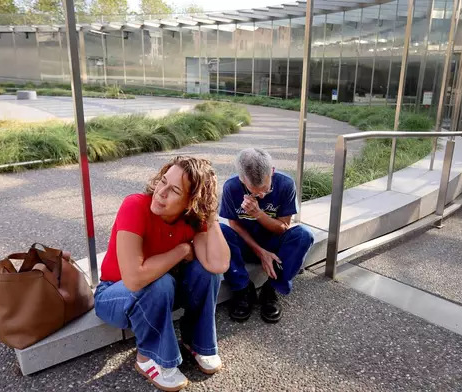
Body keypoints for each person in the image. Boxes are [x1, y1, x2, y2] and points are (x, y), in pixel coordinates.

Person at [94, 156, 230, 391]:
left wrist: (209, 215)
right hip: (115, 295)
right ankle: (148, 358)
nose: (161, 192)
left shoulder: (191, 220)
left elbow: (218, 265)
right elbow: (134, 279)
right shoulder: (135, 206)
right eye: (163, 181)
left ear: (191, 202)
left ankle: (197, 342)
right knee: (160, 282)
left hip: (160, 292)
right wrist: (181, 250)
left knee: (206, 273)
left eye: (175, 190)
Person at [219, 148, 315, 323]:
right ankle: (242, 289)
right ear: (242, 179)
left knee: (304, 235)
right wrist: (260, 252)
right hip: (246, 244)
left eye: (265, 189)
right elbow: (234, 225)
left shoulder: (285, 184)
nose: (261, 195)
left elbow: (283, 227)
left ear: (272, 171)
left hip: (274, 241)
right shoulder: (231, 187)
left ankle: (271, 290)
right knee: (219, 231)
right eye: (254, 191)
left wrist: (259, 214)